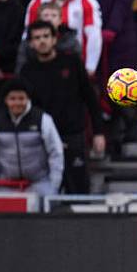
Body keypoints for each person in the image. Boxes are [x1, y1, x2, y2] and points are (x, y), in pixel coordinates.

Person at [20, 20, 104, 194]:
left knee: (79, 188)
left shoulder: (72, 62)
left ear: (54, 39)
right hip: (41, 139)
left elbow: (90, 98)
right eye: (37, 38)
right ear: (31, 43)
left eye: (46, 36)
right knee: (46, 191)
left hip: (73, 135)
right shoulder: (27, 71)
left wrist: (98, 132)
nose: (42, 41)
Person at [24, 0, 102, 76]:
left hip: (76, 65)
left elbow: (94, 36)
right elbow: (27, 37)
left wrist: (90, 67)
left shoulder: (87, 2)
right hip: (40, 67)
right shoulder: (36, 3)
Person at [0, 78, 63, 196]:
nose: (17, 103)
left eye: (21, 98)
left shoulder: (43, 119)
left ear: (28, 99)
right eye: (12, 99)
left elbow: (56, 152)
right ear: (6, 100)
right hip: (5, 186)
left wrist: (54, 185)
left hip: (39, 184)